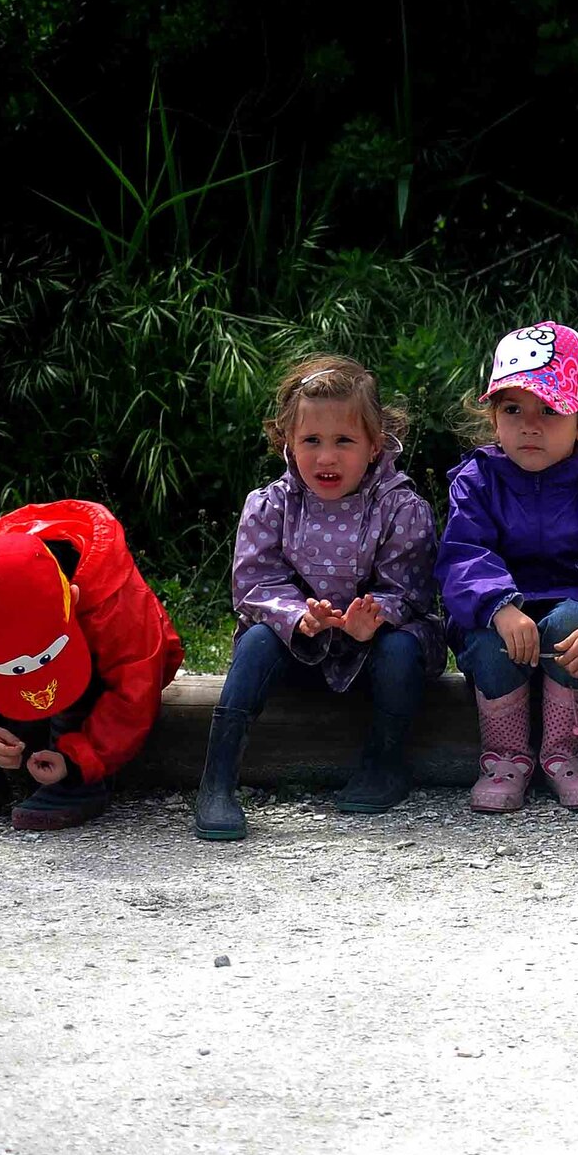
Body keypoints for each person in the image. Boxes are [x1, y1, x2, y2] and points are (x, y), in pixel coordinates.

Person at [193, 356, 440, 840]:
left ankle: (384, 764)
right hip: (299, 644)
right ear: (288, 442)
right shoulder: (271, 504)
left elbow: (409, 586)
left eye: (343, 441)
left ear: (374, 446)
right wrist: (298, 617)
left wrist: (375, 617)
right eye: (311, 441)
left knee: (402, 648)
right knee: (259, 641)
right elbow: (255, 583)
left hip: (371, 644)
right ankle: (217, 780)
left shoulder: (400, 506)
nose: (326, 458)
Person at [440, 322, 578, 813]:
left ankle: (568, 755)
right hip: (502, 622)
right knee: (488, 635)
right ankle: (505, 759)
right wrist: (499, 605)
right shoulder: (476, 481)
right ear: (494, 417)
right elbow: (463, 554)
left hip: (575, 621)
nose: (530, 425)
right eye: (513, 409)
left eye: (550, 410)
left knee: (571, 621)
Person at [0, 500, 183, 830]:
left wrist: (76, 760)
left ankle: (80, 786)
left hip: (98, 675)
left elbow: (136, 688)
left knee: (104, 662)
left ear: (75, 597)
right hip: (7, 693)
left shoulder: (120, 609)